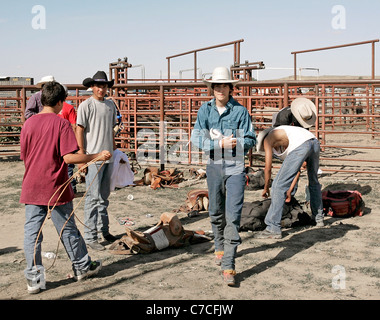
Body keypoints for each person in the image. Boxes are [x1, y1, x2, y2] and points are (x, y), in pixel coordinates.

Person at [20, 81, 111, 294]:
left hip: (32, 185)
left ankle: (34, 279)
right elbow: (69, 157)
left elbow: (24, 156)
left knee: (32, 233)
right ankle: (81, 266)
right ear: (61, 102)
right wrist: (96, 156)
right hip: (55, 187)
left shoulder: (29, 124)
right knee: (67, 228)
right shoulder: (60, 124)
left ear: (42, 100)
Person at [191, 66, 256, 286]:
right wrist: (219, 143)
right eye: (216, 85)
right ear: (212, 88)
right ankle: (219, 245)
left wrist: (240, 142)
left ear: (230, 88)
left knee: (234, 214)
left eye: (224, 85)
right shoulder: (204, 111)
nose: (220, 89)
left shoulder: (240, 112)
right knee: (216, 211)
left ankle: (229, 264)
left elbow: (251, 138)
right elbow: (196, 139)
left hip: (236, 166)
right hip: (214, 165)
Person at [254, 125, 324, 240]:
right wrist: (290, 189)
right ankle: (318, 218)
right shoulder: (285, 136)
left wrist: (266, 187)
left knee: (277, 185)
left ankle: (273, 227)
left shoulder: (267, 140)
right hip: (313, 141)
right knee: (313, 181)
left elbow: (268, 168)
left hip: (302, 144)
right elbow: (296, 171)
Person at [76, 71, 118, 251]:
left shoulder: (110, 105)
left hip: (107, 156)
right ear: (92, 87)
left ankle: (104, 230)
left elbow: (111, 129)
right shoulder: (86, 106)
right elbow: (79, 130)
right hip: (93, 156)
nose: (101, 89)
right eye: (98, 86)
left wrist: (114, 147)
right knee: (93, 198)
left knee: (104, 197)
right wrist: (81, 155)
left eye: (104, 86)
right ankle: (90, 236)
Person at [57, 85, 78, 193]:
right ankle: (71, 189)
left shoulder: (52, 107)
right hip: (66, 142)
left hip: (55, 142)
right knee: (69, 166)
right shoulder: (69, 108)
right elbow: (74, 126)